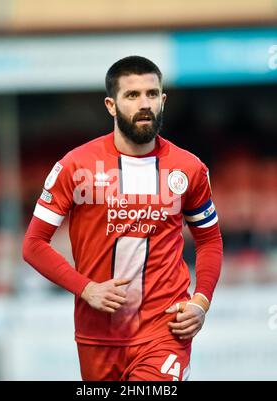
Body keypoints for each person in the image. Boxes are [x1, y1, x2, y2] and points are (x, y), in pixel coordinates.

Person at [23, 55, 223, 381]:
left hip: (166, 329)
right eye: (132, 95)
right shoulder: (75, 166)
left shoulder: (189, 169)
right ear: (111, 105)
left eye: (152, 93)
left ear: (163, 100)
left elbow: (209, 239)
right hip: (97, 336)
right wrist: (86, 288)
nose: (144, 103)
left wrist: (201, 300)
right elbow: (33, 244)